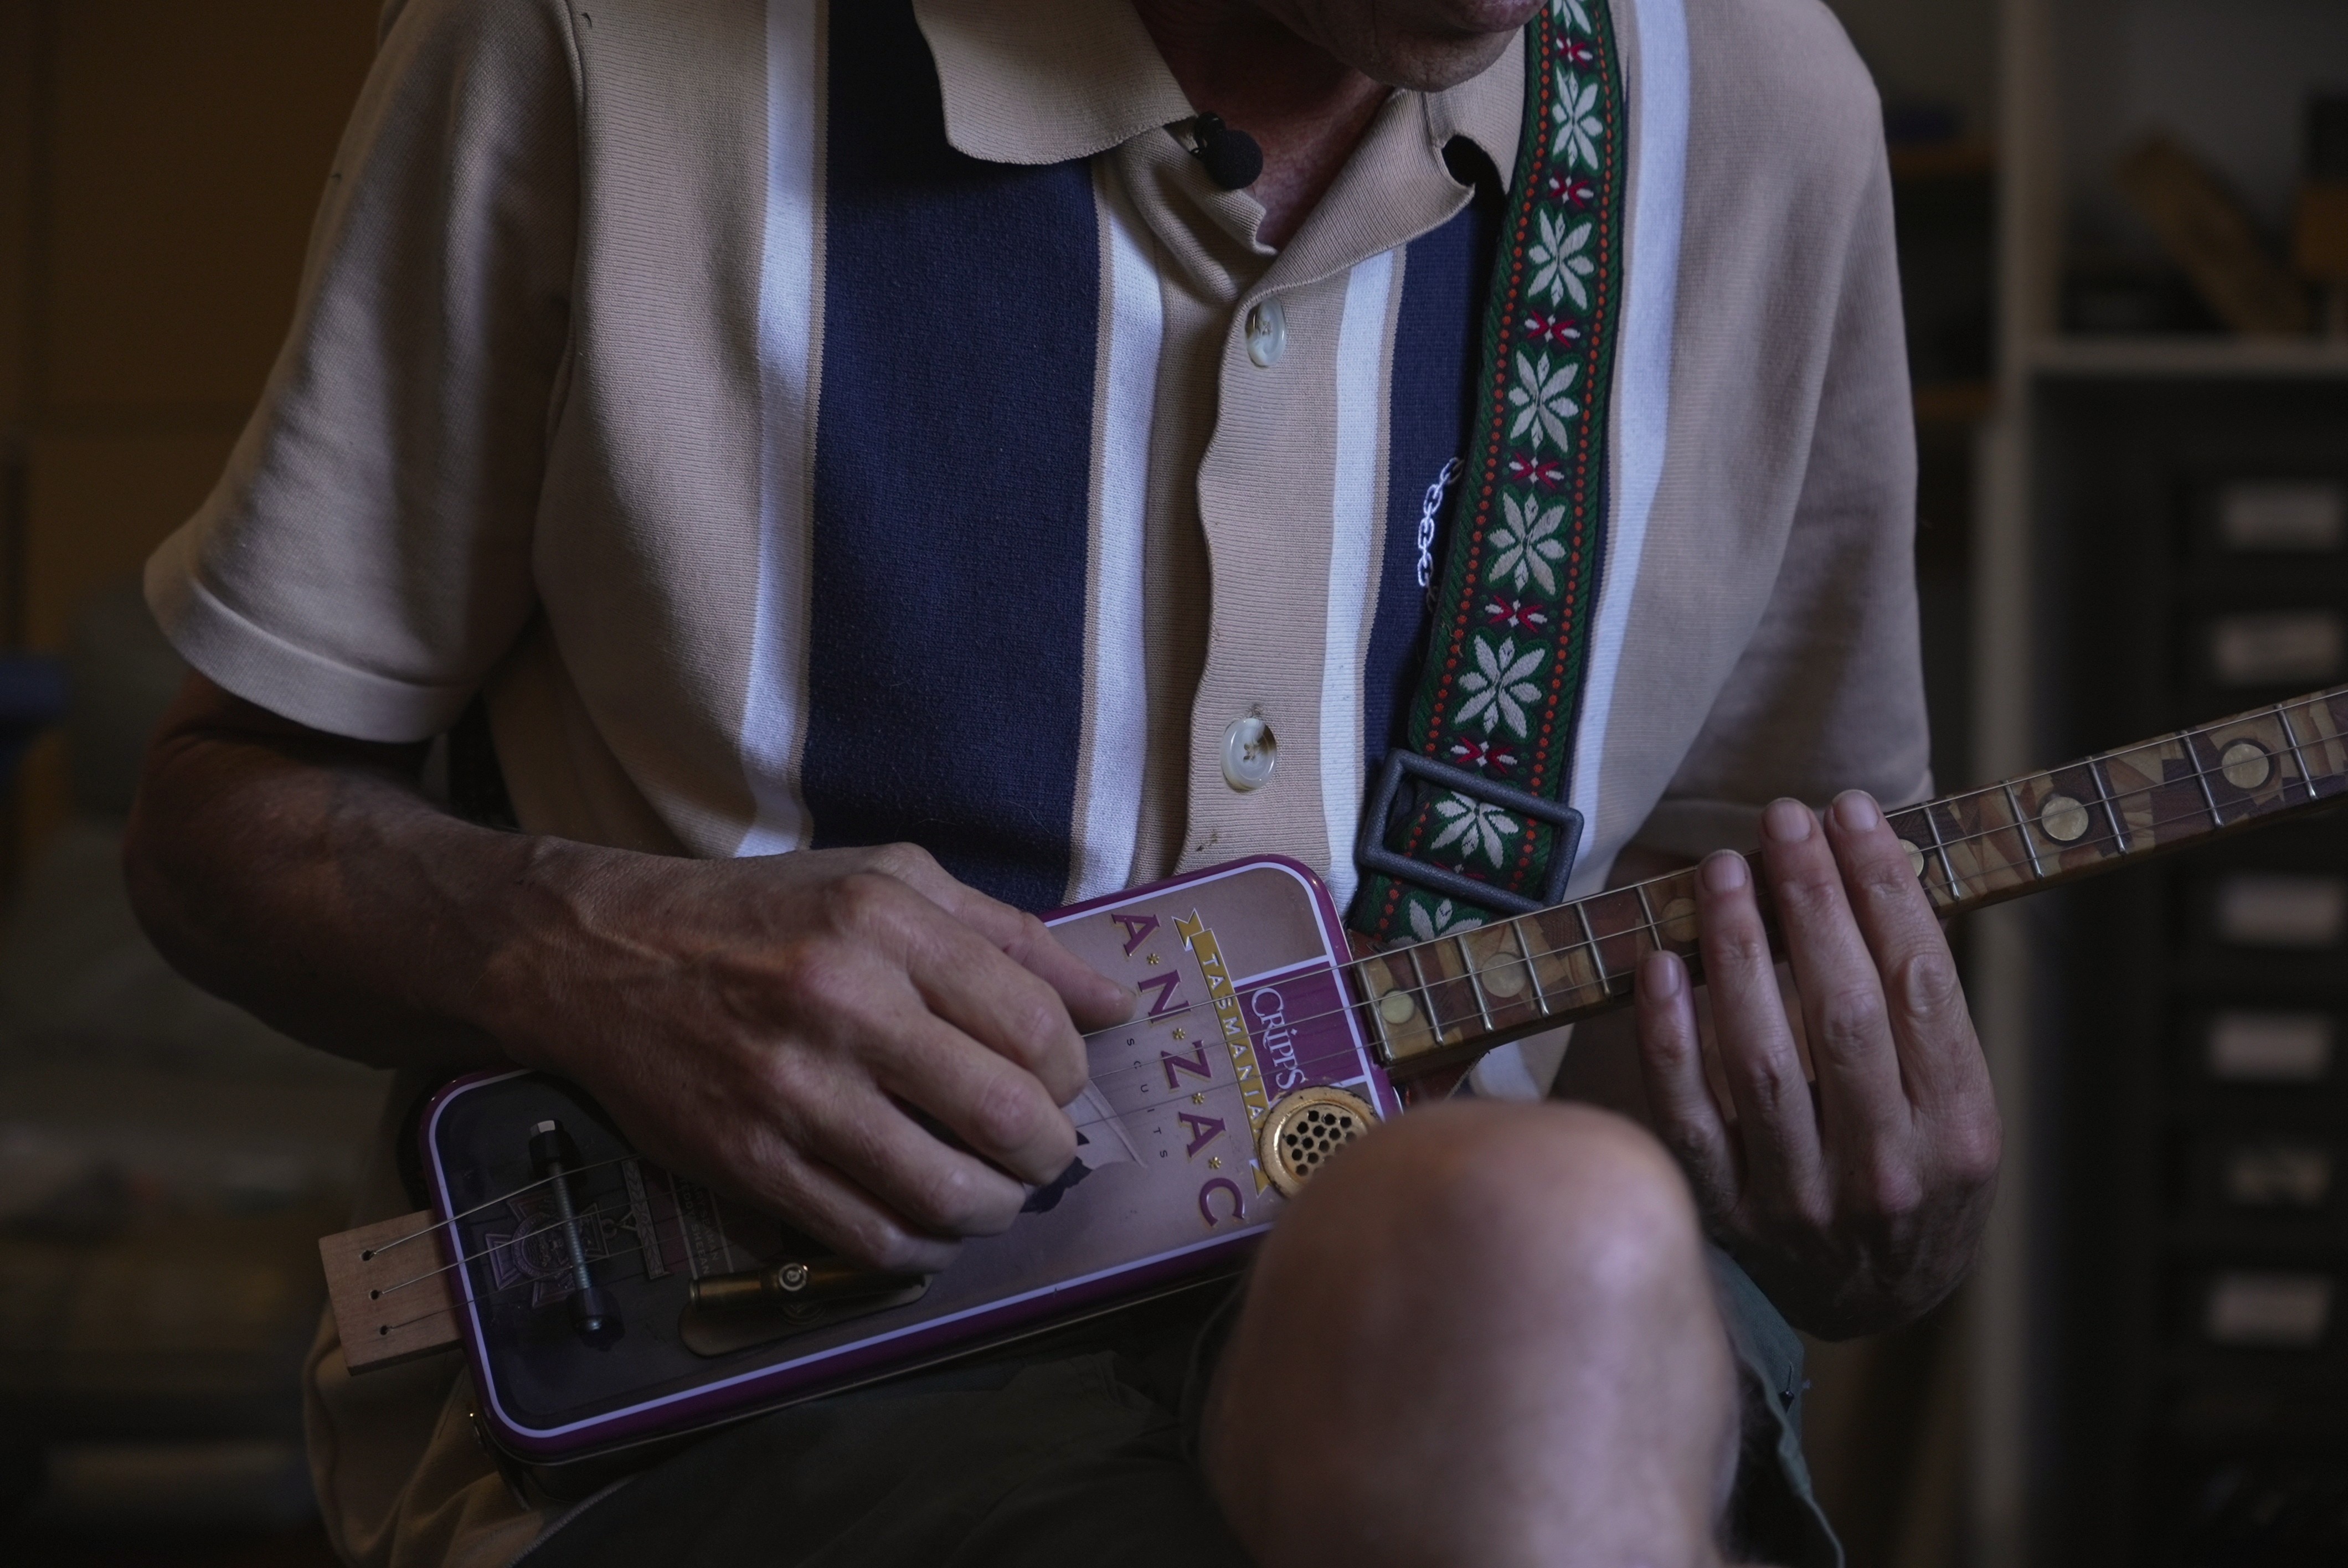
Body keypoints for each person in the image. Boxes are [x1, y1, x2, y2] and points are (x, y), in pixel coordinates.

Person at [124, 0, 2000, 1564]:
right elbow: (218, 818)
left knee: (1537, 1241)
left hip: (1492, 1387)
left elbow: (1738, 997)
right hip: (751, 1395)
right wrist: (592, 944)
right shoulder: (585, 35)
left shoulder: (1766, 114)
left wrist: (1857, 1219)